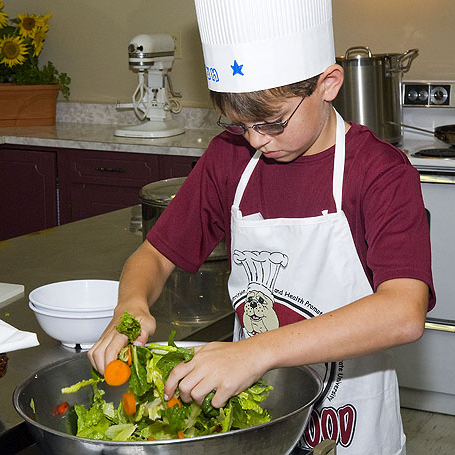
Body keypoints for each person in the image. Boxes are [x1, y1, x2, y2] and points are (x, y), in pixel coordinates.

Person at [89, 0, 434, 453]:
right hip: (254, 418)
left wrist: (257, 351)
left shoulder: (380, 172)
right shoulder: (229, 157)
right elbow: (154, 254)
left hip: (349, 422)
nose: (256, 139)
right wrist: (131, 305)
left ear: (327, 84)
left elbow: (403, 312)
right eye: (240, 124)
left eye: (271, 123)